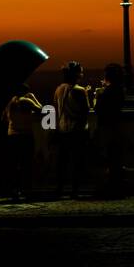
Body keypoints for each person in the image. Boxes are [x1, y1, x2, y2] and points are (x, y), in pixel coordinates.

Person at [53, 62, 91, 198]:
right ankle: (75, 190)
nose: (82, 74)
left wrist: (54, 128)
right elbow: (86, 110)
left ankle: (59, 189)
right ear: (76, 74)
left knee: (62, 162)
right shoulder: (80, 90)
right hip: (77, 130)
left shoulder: (58, 89)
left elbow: (55, 110)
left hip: (63, 129)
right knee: (77, 162)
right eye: (80, 72)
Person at [3, 84, 43, 200]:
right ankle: (26, 189)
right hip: (25, 136)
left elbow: (5, 117)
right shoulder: (26, 100)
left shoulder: (9, 102)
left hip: (12, 135)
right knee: (26, 164)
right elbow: (41, 109)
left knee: (14, 165)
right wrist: (33, 97)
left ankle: (14, 190)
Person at [93, 63, 126, 197]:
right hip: (116, 126)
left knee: (106, 158)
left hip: (106, 127)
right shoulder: (119, 90)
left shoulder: (106, 92)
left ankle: (108, 187)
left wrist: (98, 95)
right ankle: (116, 186)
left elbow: (97, 109)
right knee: (116, 158)